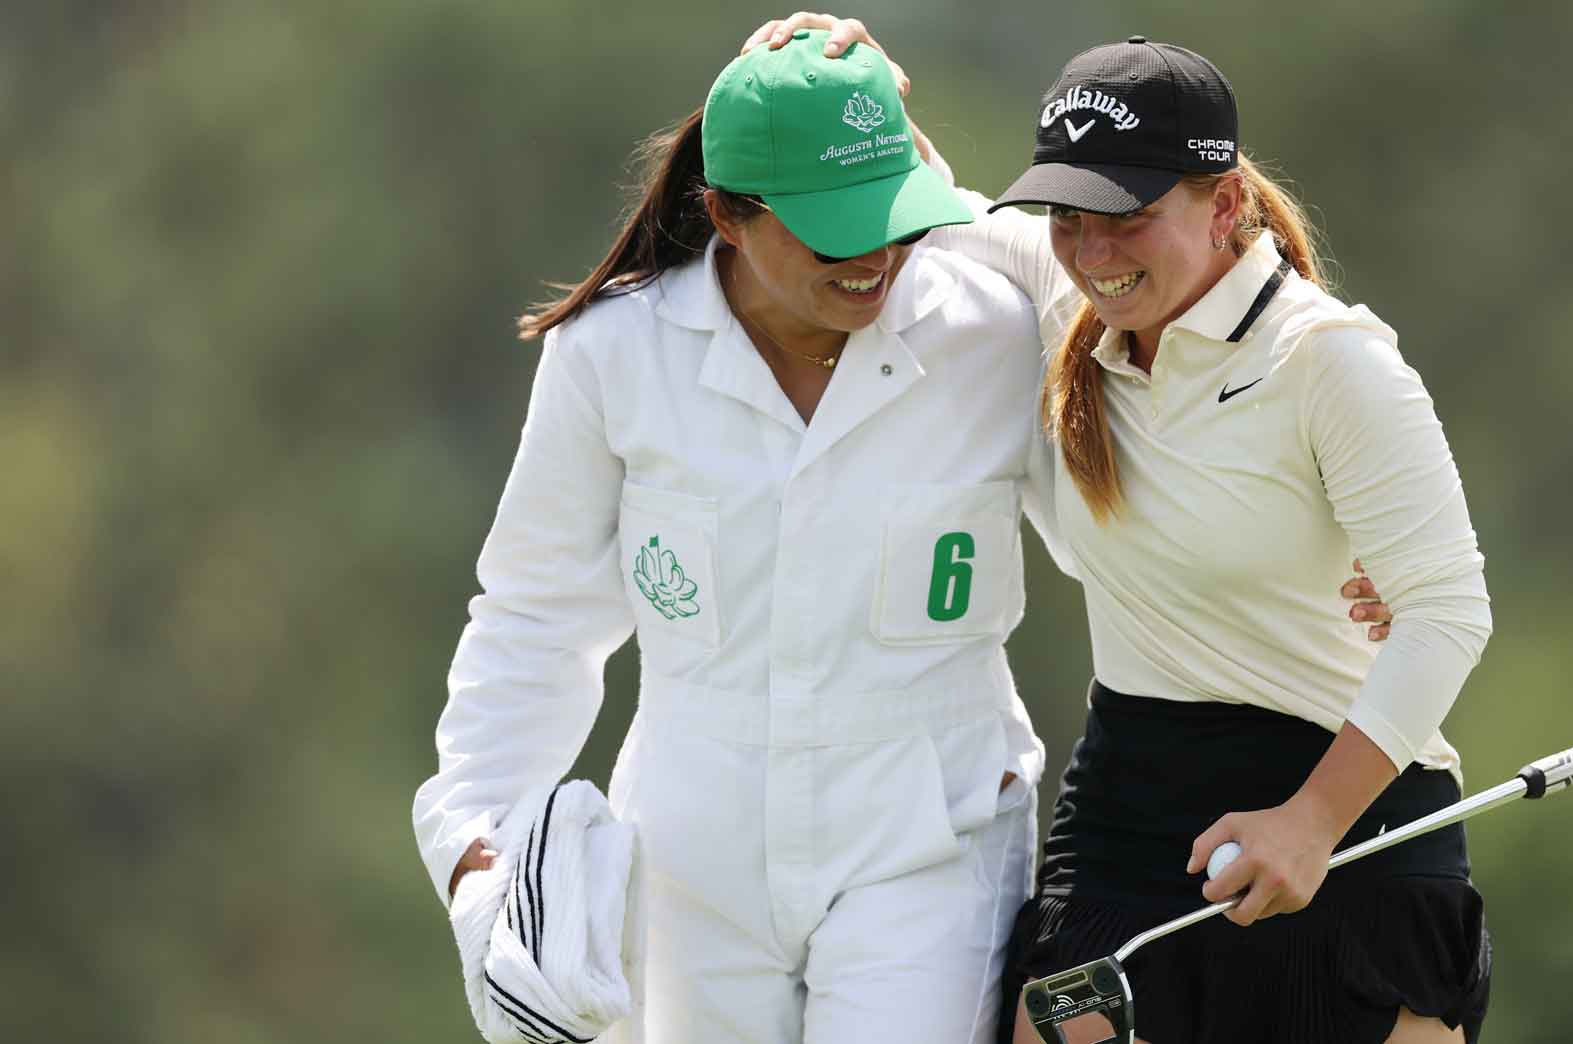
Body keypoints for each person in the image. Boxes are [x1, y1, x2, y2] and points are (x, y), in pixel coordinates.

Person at [747, 17, 1493, 1044]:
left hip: (1348, 810)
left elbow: (1446, 613)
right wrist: (833, 74)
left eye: (1128, 218)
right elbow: (929, 202)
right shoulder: (1067, 291)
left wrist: (1312, 822)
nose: (1093, 253)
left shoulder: (1330, 361)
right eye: (1067, 216)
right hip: (1129, 806)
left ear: (1222, 203)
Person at [411, 32, 1061, 1044]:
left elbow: (1132, 509)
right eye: (834, 232)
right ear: (728, 215)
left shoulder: (997, 332)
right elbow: (538, 615)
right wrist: (473, 837)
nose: (875, 259)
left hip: (934, 840)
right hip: (689, 861)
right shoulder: (612, 352)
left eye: (892, 217)